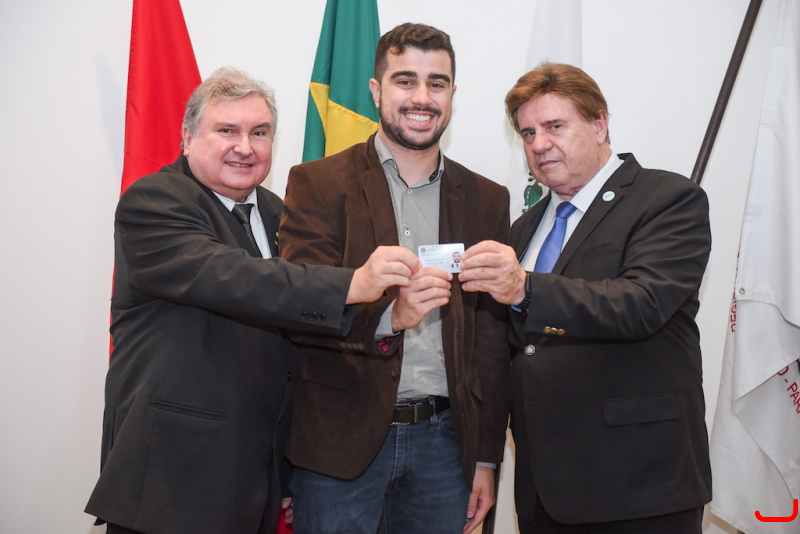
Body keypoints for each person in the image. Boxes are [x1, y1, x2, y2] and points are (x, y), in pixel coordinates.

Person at [84, 67, 419, 534]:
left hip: (258, 482)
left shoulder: (281, 213)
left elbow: (298, 337)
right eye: (227, 130)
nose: (245, 147)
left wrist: (389, 317)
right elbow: (234, 278)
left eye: (259, 132)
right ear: (187, 138)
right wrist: (353, 284)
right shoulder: (154, 201)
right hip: (173, 480)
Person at [458, 63, 712, 533]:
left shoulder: (667, 198)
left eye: (555, 126)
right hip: (544, 491)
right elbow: (508, 352)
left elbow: (641, 304)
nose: (539, 144)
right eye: (528, 132)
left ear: (599, 124)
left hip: (639, 486)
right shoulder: (523, 228)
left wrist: (526, 289)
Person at [279, 23, 511, 534]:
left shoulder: (487, 200)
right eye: (405, 80)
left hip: (445, 449)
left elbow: (491, 342)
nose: (422, 97)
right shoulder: (317, 184)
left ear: (452, 94)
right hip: (339, 445)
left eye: (437, 83)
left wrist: (486, 457)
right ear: (376, 90)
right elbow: (300, 308)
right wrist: (391, 317)